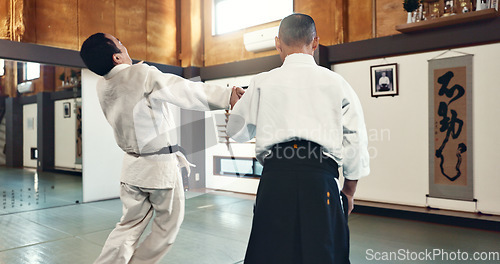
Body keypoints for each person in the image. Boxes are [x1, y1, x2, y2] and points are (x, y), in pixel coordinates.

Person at [79, 33, 244, 264]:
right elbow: (184, 90)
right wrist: (227, 95)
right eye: (121, 44)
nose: (126, 47)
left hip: (131, 168)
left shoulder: (101, 86)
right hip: (159, 169)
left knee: (128, 227)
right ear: (117, 57)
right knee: (167, 227)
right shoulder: (142, 74)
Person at [227, 13, 370, 264]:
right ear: (315, 43)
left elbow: (236, 131)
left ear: (277, 43)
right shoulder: (337, 83)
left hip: (275, 178)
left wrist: (238, 108)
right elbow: (355, 138)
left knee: (270, 254)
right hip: (320, 178)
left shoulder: (262, 82)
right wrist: (349, 191)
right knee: (323, 254)